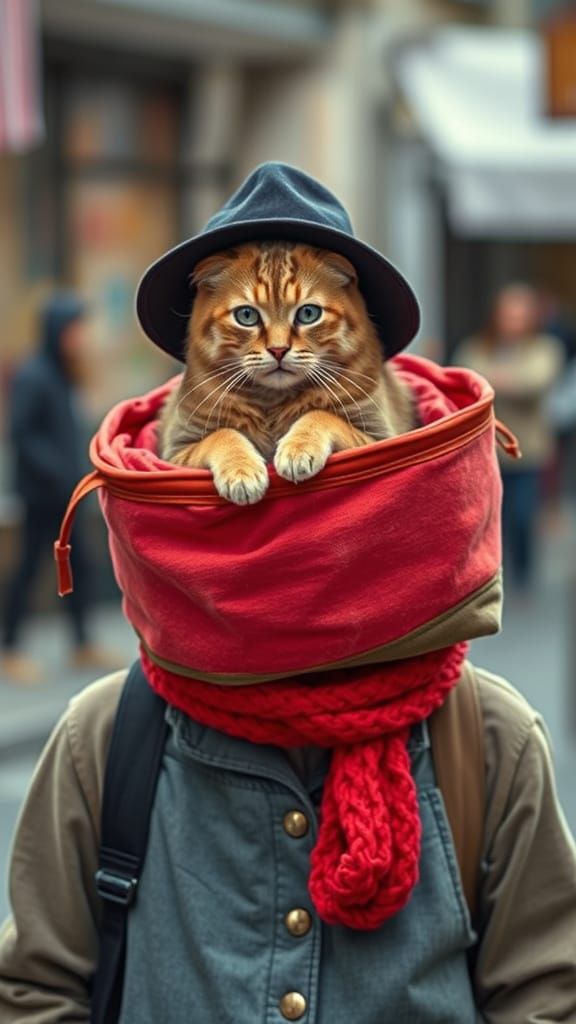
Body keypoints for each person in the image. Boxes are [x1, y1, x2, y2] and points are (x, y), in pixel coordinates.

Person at [0, 164, 575, 1022]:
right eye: (243, 317)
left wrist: (327, 429)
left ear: (351, 308)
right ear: (202, 319)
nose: (274, 343)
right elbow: (34, 994)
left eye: (306, 314)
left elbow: (548, 996)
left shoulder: (486, 744)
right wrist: (224, 449)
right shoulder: (102, 745)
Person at [1, 292, 114, 684]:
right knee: (29, 569)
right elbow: (23, 434)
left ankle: (82, 643)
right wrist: (57, 474)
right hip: (40, 495)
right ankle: (10, 648)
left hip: (64, 494)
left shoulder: (63, 373)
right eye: (73, 328)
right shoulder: (34, 375)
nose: (79, 336)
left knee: (79, 565)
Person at [454, 284, 564, 591]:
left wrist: (492, 377)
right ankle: (491, 576)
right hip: (486, 451)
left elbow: (535, 382)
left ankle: (524, 574)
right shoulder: (478, 346)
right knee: (488, 519)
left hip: (527, 451)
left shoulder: (544, 348)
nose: (513, 321)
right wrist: (505, 378)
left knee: (521, 517)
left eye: (520, 315)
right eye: (508, 314)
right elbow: (464, 376)